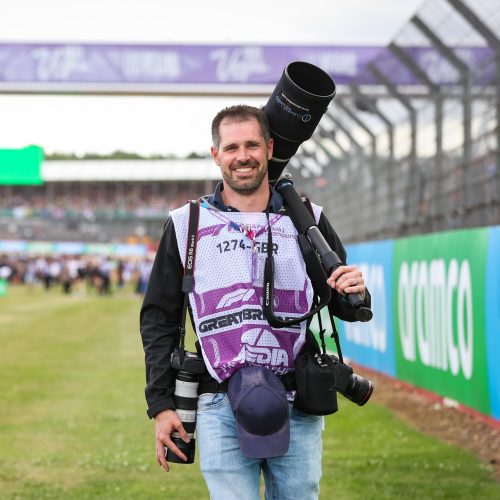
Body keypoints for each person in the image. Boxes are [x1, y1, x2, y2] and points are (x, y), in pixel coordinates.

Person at [140, 105, 371, 499]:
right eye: (231, 147)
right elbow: (159, 319)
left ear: (269, 148)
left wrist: (356, 292)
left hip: (297, 401)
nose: (242, 156)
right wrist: (162, 404)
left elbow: (345, 304)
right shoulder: (186, 223)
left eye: (251, 145)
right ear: (216, 155)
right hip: (217, 401)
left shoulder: (307, 219)